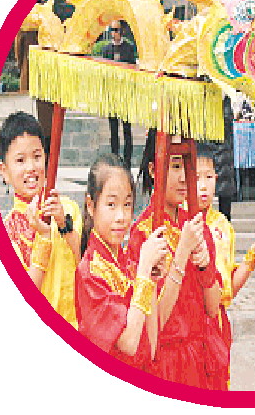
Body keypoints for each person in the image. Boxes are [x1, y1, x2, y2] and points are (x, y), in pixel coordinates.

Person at [130, 132, 218, 387]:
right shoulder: (144, 235)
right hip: (165, 363)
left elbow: (213, 308)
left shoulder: (195, 225)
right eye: (175, 166)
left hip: (198, 359)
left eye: (186, 166)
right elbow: (155, 322)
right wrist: (182, 252)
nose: (183, 177)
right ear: (153, 169)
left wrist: (205, 266)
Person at [75, 154, 168, 368]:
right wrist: (144, 273)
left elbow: (151, 345)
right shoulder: (90, 273)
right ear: (91, 205)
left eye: (127, 204)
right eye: (111, 204)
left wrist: (151, 280)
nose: (121, 216)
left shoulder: (127, 264)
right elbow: (128, 343)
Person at [0, 111, 81, 328]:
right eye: (20, 160)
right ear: (4, 171)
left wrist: (64, 225)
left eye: (37, 156)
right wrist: (44, 238)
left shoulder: (68, 209)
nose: (31, 167)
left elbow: (85, 266)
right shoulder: (7, 232)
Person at [195, 144, 255, 389]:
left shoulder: (223, 226)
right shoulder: (181, 224)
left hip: (218, 324)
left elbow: (227, 292)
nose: (203, 185)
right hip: (192, 326)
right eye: (196, 177)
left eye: (208, 177)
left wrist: (252, 257)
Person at [102, 21, 136, 168]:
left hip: (125, 93)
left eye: (116, 30)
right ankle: (115, 158)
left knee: (127, 129)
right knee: (113, 129)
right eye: (112, 30)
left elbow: (133, 69)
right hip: (112, 94)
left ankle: (127, 161)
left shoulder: (128, 48)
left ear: (122, 31)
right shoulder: (106, 49)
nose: (114, 33)